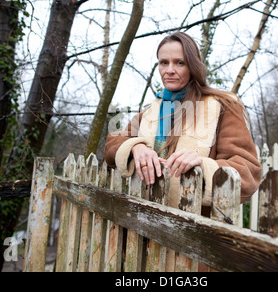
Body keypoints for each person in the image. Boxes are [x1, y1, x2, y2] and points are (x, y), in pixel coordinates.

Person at [104, 31, 262, 211]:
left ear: (192, 66)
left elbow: (248, 171)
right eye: (164, 62)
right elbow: (112, 144)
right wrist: (135, 146)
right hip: (142, 223)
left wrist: (202, 164)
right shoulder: (150, 111)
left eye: (180, 63)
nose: (169, 70)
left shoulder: (223, 107)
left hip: (194, 228)